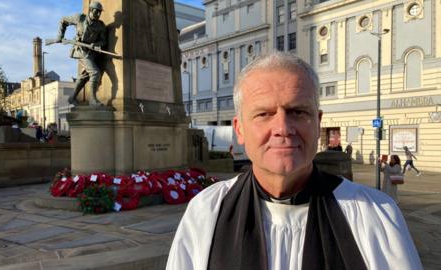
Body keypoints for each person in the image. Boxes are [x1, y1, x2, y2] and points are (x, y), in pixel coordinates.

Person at [167, 52, 422, 269]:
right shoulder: (206, 212)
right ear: (240, 129)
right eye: (264, 114)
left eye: (298, 112)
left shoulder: (374, 214)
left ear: (318, 122)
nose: (283, 128)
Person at [55, 1, 106, 106]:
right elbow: (63, 21)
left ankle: (72, 97)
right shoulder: (79, 18)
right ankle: (92, 100)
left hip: (91, 52)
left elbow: (103, 41)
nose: (98, 14)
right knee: (95, 73)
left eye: (100, 12)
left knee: (84, 76)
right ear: (90, 10)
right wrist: (60, 36)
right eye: (96, 12)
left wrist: (95, 44)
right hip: (80, 50)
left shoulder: (100, 26)